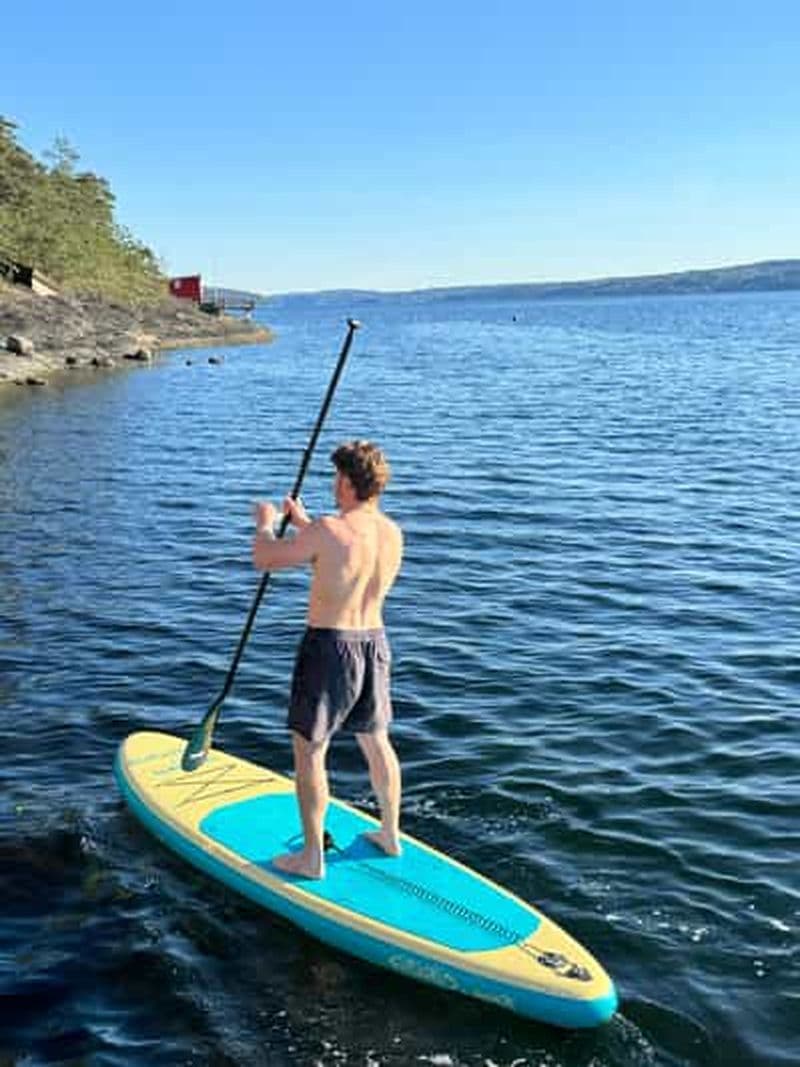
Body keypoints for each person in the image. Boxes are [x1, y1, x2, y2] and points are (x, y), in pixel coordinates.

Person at [252, 440, 404, 879]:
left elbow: (265, 559)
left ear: (345, 481)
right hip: (373, 643)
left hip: (328, 647)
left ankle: (311, 859)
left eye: (336, 477)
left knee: (310, 750)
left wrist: (268, 524)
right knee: (376, 740)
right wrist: (304, 525)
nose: (333, 485)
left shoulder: (328, 529)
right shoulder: (392, 532)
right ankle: (390, 834)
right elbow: (339, 559)